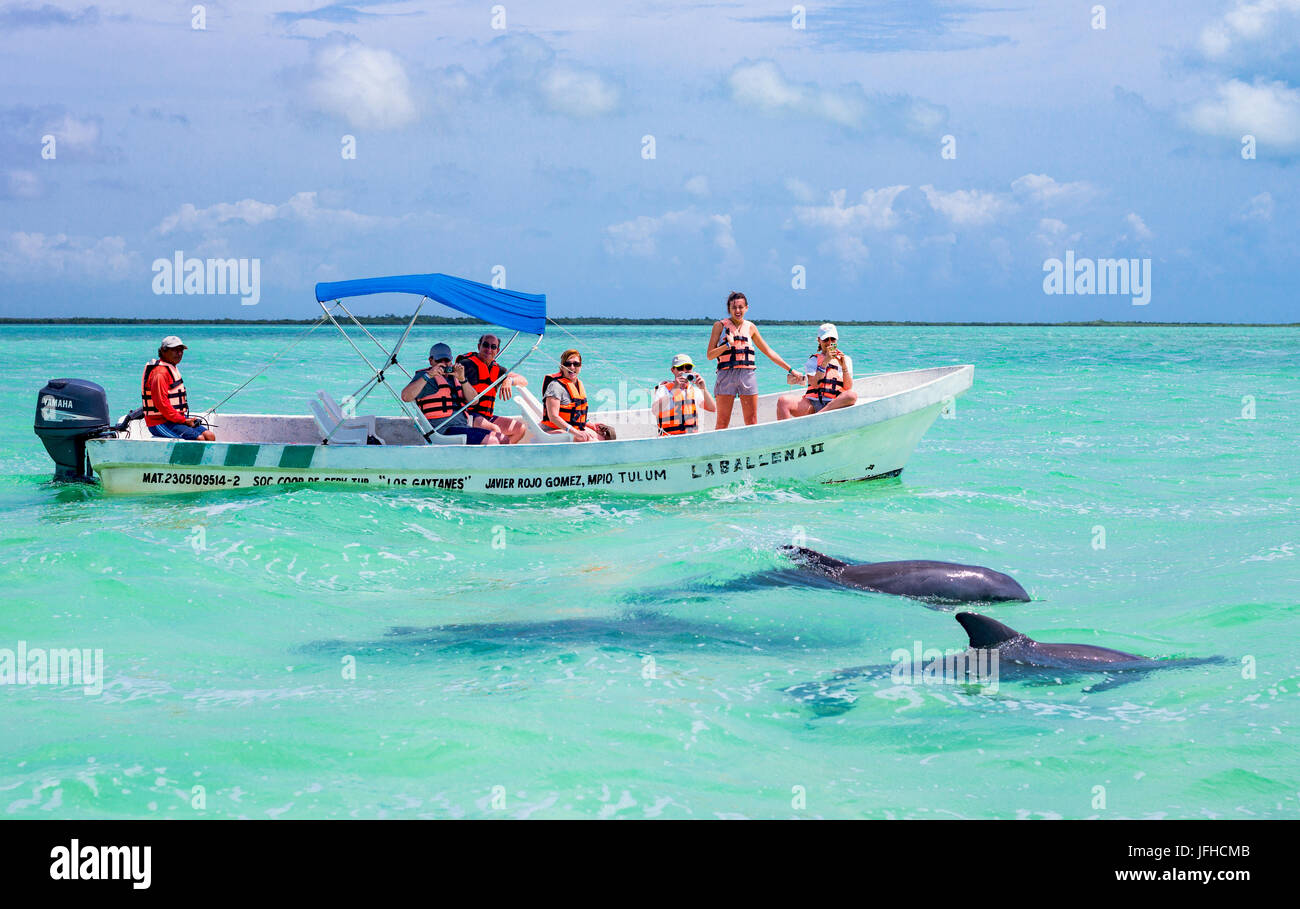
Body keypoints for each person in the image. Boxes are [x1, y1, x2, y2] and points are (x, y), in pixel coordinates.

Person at [705, 291, 799, 429]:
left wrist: (790, 369)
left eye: (741, 307)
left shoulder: (751, 327)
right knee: (722, 422)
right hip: (726, 376)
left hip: (747, 375)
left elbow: (768, 351)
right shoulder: (719, 326)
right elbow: (710, 355)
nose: (737, 310)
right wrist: (726, 345)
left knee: (752, 421)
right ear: (729, 309)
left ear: (746, 308)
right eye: (734, 308)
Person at [401, 343, 503, 444]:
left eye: (447, 360)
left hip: (462, 427)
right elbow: (405, 396)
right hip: (444, 430)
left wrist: (462, 379)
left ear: (451, 361)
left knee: (502, 439)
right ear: (431, 361)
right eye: (439, 361)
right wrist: (429, 375)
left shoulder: (456, 377)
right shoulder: (424, 377)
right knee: (493, 440)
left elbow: (474, 401)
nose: (443, 364)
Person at [776, 323, 859, 420]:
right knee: (783, 401)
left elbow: (847, 387)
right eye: (825, 339)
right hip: (812, 404)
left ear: (836, 340)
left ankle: (819, 415)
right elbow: (815, 384)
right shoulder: (813, 360)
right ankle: (786, 432)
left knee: (852, 395)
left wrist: (844, 367)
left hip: (835, 403)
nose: (829, 342)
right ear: (819, 340)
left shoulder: (846, 359)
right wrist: (825, 362)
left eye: (832, 339)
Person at [142, 335, 215, 441]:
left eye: (181, 350)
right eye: (175, 350)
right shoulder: (160, 373)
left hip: (174, 419)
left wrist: (183, 420)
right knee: (199, 439)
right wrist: (184, 421)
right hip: (159, 423)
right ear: (163, 351)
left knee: (210, 436)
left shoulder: (170, 367)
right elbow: (161, 404)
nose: (179, 353)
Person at [459, 334, 528, 444]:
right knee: (495, 430)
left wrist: (509, 380)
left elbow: (523, 380)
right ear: (479, 347)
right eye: (485, 345)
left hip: (487, 417)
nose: (489, 349)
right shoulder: (465, 365)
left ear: (497, 350)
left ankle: (501, 456)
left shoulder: (499, 370)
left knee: (520, 429)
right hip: (467, 416)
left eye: (493, 347)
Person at [539, 349, 601, 441]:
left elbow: (577, 411)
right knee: (589, 440)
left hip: (571, 428)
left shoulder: (579, 384)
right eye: (568, 364)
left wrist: (588, 423)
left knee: (605, 435)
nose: (572, 367)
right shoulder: (555, 386)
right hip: (554, 430)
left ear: (580, 366)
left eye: (576, 364)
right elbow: (553, 417)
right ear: (562, 367)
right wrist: (575, 432)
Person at [652, 353, 716, 435]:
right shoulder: (664, 389)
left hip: (691, 438)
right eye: (680, 368)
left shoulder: (695, 391)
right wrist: (674, 390)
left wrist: (703, 389)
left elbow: (712, 408)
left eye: (688, 367)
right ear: (673, 370)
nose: (684, 371)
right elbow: (655, 410)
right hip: (668, 439)